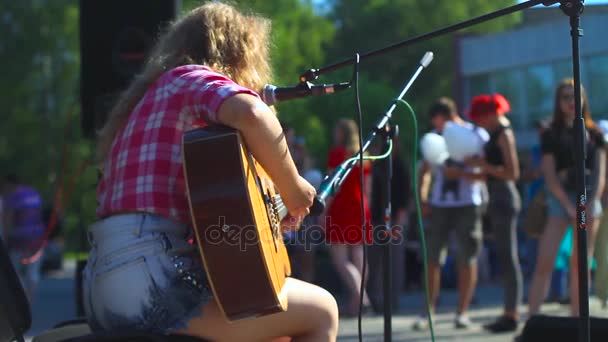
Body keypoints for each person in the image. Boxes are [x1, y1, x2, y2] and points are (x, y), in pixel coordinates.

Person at [82, 3, 339, 341]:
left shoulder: (142, 106)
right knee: (322, 310)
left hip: (102, 290)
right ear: (234, 52)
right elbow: (250, 113)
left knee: (272, 326)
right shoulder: (188, 77)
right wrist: (292, 189)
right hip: (153, 282)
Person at [526, 78, 605, 318]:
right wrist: (569, 205)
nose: (571, 102)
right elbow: (549, 174)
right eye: (566, 97)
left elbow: (602, 172)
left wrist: (591, 203)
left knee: (581, 262)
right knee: (545, 260)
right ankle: (533, 318)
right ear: (558, 102)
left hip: (588, 199)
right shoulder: (551, 132)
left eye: (575, 97)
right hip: (561, 200)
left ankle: (578, 317)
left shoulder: (594, 132)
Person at [414, 97, 488, 330]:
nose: (435, 127)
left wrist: (462, 175)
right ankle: (428, 313)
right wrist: (423, 198)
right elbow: (424, 171)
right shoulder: (435, 140)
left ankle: (462, 312)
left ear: (445, 117)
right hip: (439, 206)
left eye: (436, 122)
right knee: (433, 258)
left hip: (468, 204)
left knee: (467, 258)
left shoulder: (477, 135)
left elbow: (489, 172)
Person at [466, 94, 523, 332]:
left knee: (508, 257)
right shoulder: (495, 135)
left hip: (505, 197)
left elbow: (513, 173)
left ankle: (511, 314)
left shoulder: (504, 135)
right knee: (504, 255)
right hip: (497, 197)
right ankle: (508, 311)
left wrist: (484, 166)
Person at [323, 118, 373, 317]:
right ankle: (358, 303)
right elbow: (368, 189)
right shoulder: (364, 156)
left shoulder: (337, 154)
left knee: (340, 259)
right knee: (359, 255)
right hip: (361, 207)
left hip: (342, 207)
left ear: (342, 133)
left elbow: (331, 186)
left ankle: (363, 298)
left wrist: (324, 211)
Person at [1, 173, 45, 302]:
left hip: (18, 241)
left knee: (15, 273)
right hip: (37, 240)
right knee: (33, 274)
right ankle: (29, 300)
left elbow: (6, 222)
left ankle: (22, 301)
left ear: (9, 184)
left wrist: (5, 241)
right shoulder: (33, 193)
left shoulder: (11, 197)